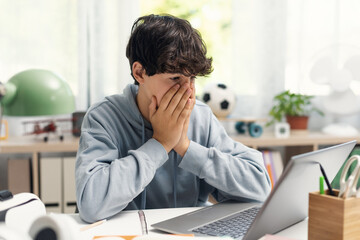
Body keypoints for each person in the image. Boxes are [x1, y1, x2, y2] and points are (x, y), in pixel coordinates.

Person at [76, 14, 271, 223]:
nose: (188, 92)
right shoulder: (103, 117)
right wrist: (161, 143)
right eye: (175, 78)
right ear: (140, 72)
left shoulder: (201, 116)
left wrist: (185, 146)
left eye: (192, 79)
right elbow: (91, 204)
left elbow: (260, 190)